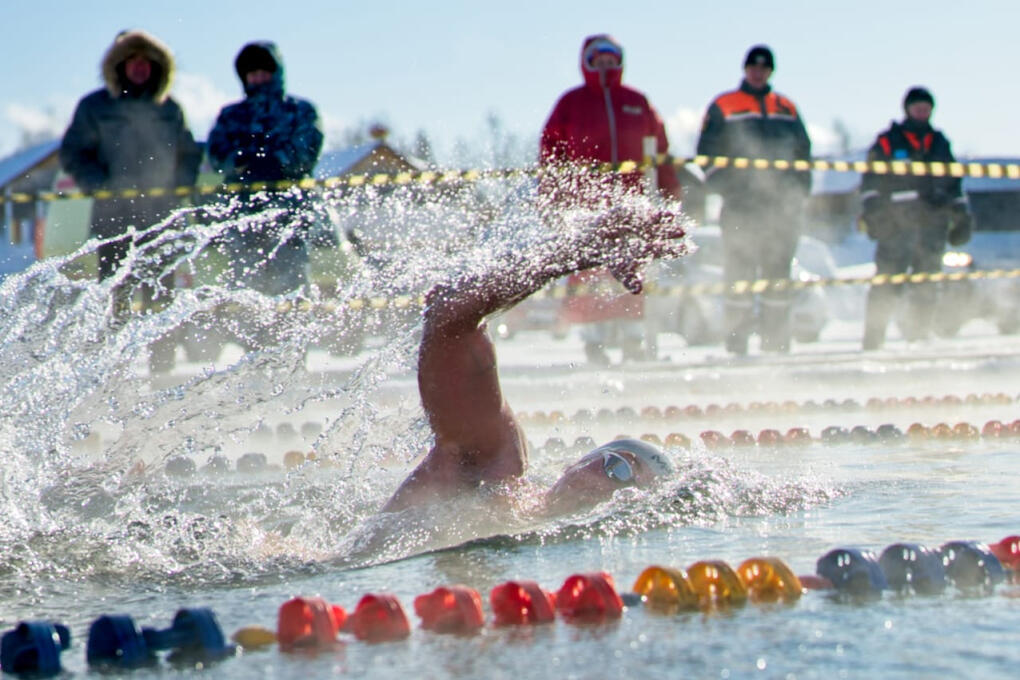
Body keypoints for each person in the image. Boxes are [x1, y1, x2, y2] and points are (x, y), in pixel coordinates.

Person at [382, 203, 685, 516]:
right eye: (618, 469)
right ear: (575, 464)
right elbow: (450, 313)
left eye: (631, 496)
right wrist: (577, 252)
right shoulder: (495, 474)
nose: (614, 495)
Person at [60, 29, 202, 372]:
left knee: (161, 297)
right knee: (115, 299)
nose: (139, 68)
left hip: (160, 218)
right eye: (132, 61)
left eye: (146, 62)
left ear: (156, 67)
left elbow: (189, 153)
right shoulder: (95, 107)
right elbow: (74, 152)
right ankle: (112, 373)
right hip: (113, 218)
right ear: (119, 66)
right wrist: (101, 183)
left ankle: (162, 372)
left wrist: (179, 184)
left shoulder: (169, 110)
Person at [540, 34, 682, 366]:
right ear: (587, 63)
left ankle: (634, 339)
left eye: (611, 58)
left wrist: (669, 188)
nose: (605, 65)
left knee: (633, 269)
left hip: (632, 203)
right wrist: (553, 197)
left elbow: (659, 150)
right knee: (590, 273)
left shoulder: (636, 101)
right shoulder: (570, 104)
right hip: (586, 206)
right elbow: (551, 155)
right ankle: (596, 341)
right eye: (598, 59)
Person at [696, 45, 812, 356]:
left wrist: (799, 192)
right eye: (753, 66)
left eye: (764, 67)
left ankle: (776, 345)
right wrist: (731, 187)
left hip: (781, 210)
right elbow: (707, 154)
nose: (758, 72)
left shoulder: (786, 107)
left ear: (771, 71)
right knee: (740, 275)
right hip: (742, 207)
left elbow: (804, 153)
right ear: (745, 69)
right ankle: (737, 344)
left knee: (778, 277)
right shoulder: (725, 104)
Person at [207, 41, 325, 296]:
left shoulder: (299, 111)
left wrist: (275, 162)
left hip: (290, 216)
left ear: (276, 73)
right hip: (243, 217)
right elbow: (217, 154)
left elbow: (307, 150)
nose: (258, 78)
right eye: (252, 73)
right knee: (246, 290)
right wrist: (242, 161)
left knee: (291, 291)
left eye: (264, 72)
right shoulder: (231, 116)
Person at [859, 87, 972, 350]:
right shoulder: (889, 141)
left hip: (933, 226)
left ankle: (919, 339)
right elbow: (870, 182)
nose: (922, 111)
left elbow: (954, 184)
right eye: (917, 106)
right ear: (907, 109)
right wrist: (874, 215)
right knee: (886, 284)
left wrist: (962, 217)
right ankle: (873, 342)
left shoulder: (940, 143)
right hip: (896, 228)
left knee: (927, 285)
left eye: (926, 107)